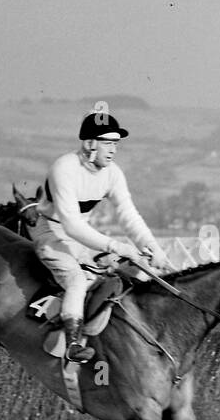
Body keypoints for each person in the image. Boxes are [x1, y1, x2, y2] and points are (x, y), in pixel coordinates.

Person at [24, 111, 169, 362]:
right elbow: (70, 225)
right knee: (77, 281)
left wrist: (153, 247)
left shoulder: (113, 173)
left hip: (82, 235)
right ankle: (72, 345)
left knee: (119, 278)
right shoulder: (64, 168)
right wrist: (118, 247)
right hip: (51, 230)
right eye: (107, 143)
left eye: (115, 144)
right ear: (89, 144)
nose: (113, 150)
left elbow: (128, 215)